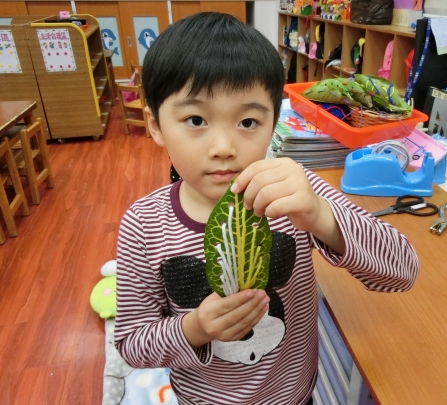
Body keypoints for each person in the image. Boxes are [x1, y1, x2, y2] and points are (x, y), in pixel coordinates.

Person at [115, 12, 419, 405]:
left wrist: (321, 216)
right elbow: (132, 344)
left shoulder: (295, 194)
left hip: (294, 395)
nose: (223, 146)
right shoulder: (143, 225)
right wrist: (194, 328)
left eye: (247, 121)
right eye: (195, 119)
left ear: (275, 122)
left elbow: (403, 271)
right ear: (155, 125)